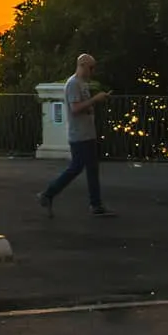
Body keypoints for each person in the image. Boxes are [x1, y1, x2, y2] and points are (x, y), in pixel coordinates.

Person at [37, 53, 116, 217]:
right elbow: (75, 108)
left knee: (91, 168)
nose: (93, 71)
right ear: (82, 65)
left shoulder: (82, 84)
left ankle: (96, 204)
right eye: (91, 67)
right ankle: (48, 193)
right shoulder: (73, 84)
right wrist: (96, 99)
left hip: (87, 133)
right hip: (79, 134)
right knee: (76, 168)